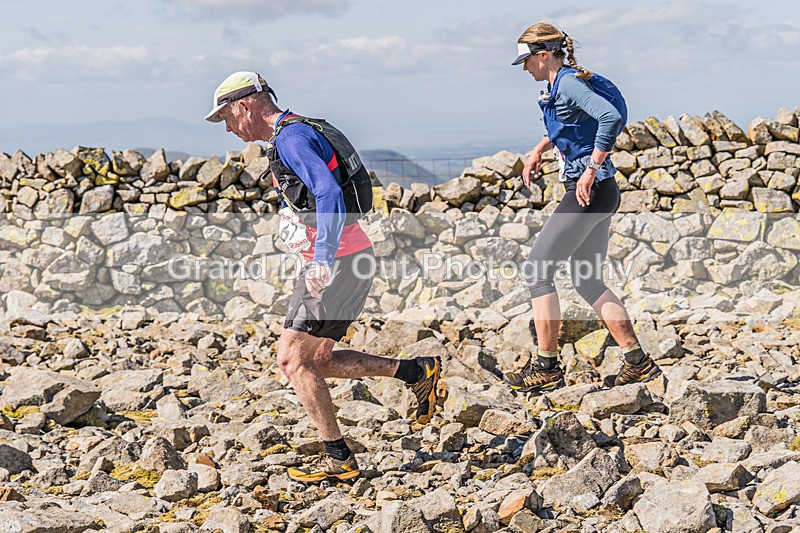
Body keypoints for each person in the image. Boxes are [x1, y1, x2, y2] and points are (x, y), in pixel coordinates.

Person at [205, 71, 444, 481]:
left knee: (292, 361)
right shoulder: (299, 129)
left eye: (227, 117)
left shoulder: (290, 139)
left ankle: (339, 460)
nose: (227, 127)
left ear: (245, 105)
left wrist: (321, 260)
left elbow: (329, 193)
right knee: (319, 359)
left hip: (338, 263)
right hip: (351, 259)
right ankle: (416, 372)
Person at [505, 24, 662, 392]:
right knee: (587, 280)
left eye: (526, 61)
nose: (525, 69)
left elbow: (609, 118)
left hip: (588, 190)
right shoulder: (563, 84)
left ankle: (546, 367)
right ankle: (636, 362)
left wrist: (590, 169)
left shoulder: (569, 82)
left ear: (543, 55)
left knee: (536, 272)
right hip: (603, 191)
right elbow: (575, 124)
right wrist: (540, 148)